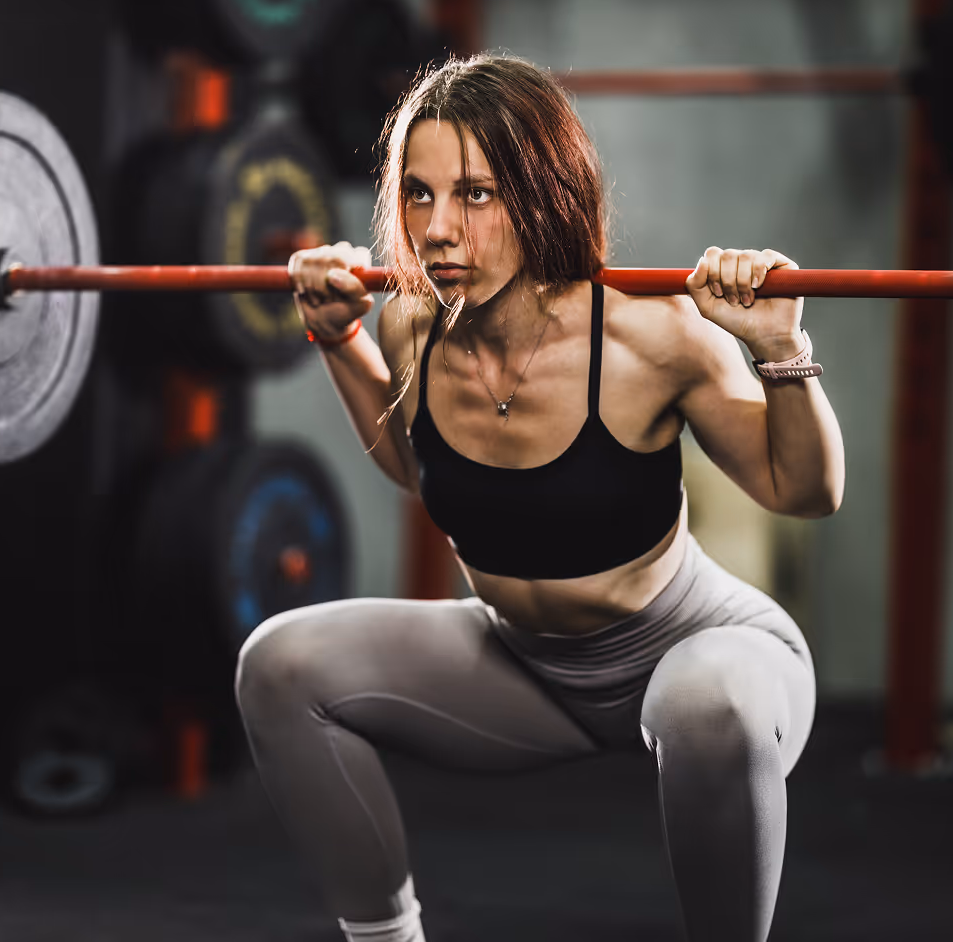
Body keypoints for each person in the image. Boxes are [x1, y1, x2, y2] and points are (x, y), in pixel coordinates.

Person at [236, 53, 844, 942]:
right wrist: (338, 341)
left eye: (476, 195)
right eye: (418, 194)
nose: (437, 228)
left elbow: (808, 489)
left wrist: (781, 352)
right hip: (526, 667)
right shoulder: (411, 325)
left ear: (543, 195)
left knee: (706, 702)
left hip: (701, 654)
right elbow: (416, 467)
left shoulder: (654, 338)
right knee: (280, 664)